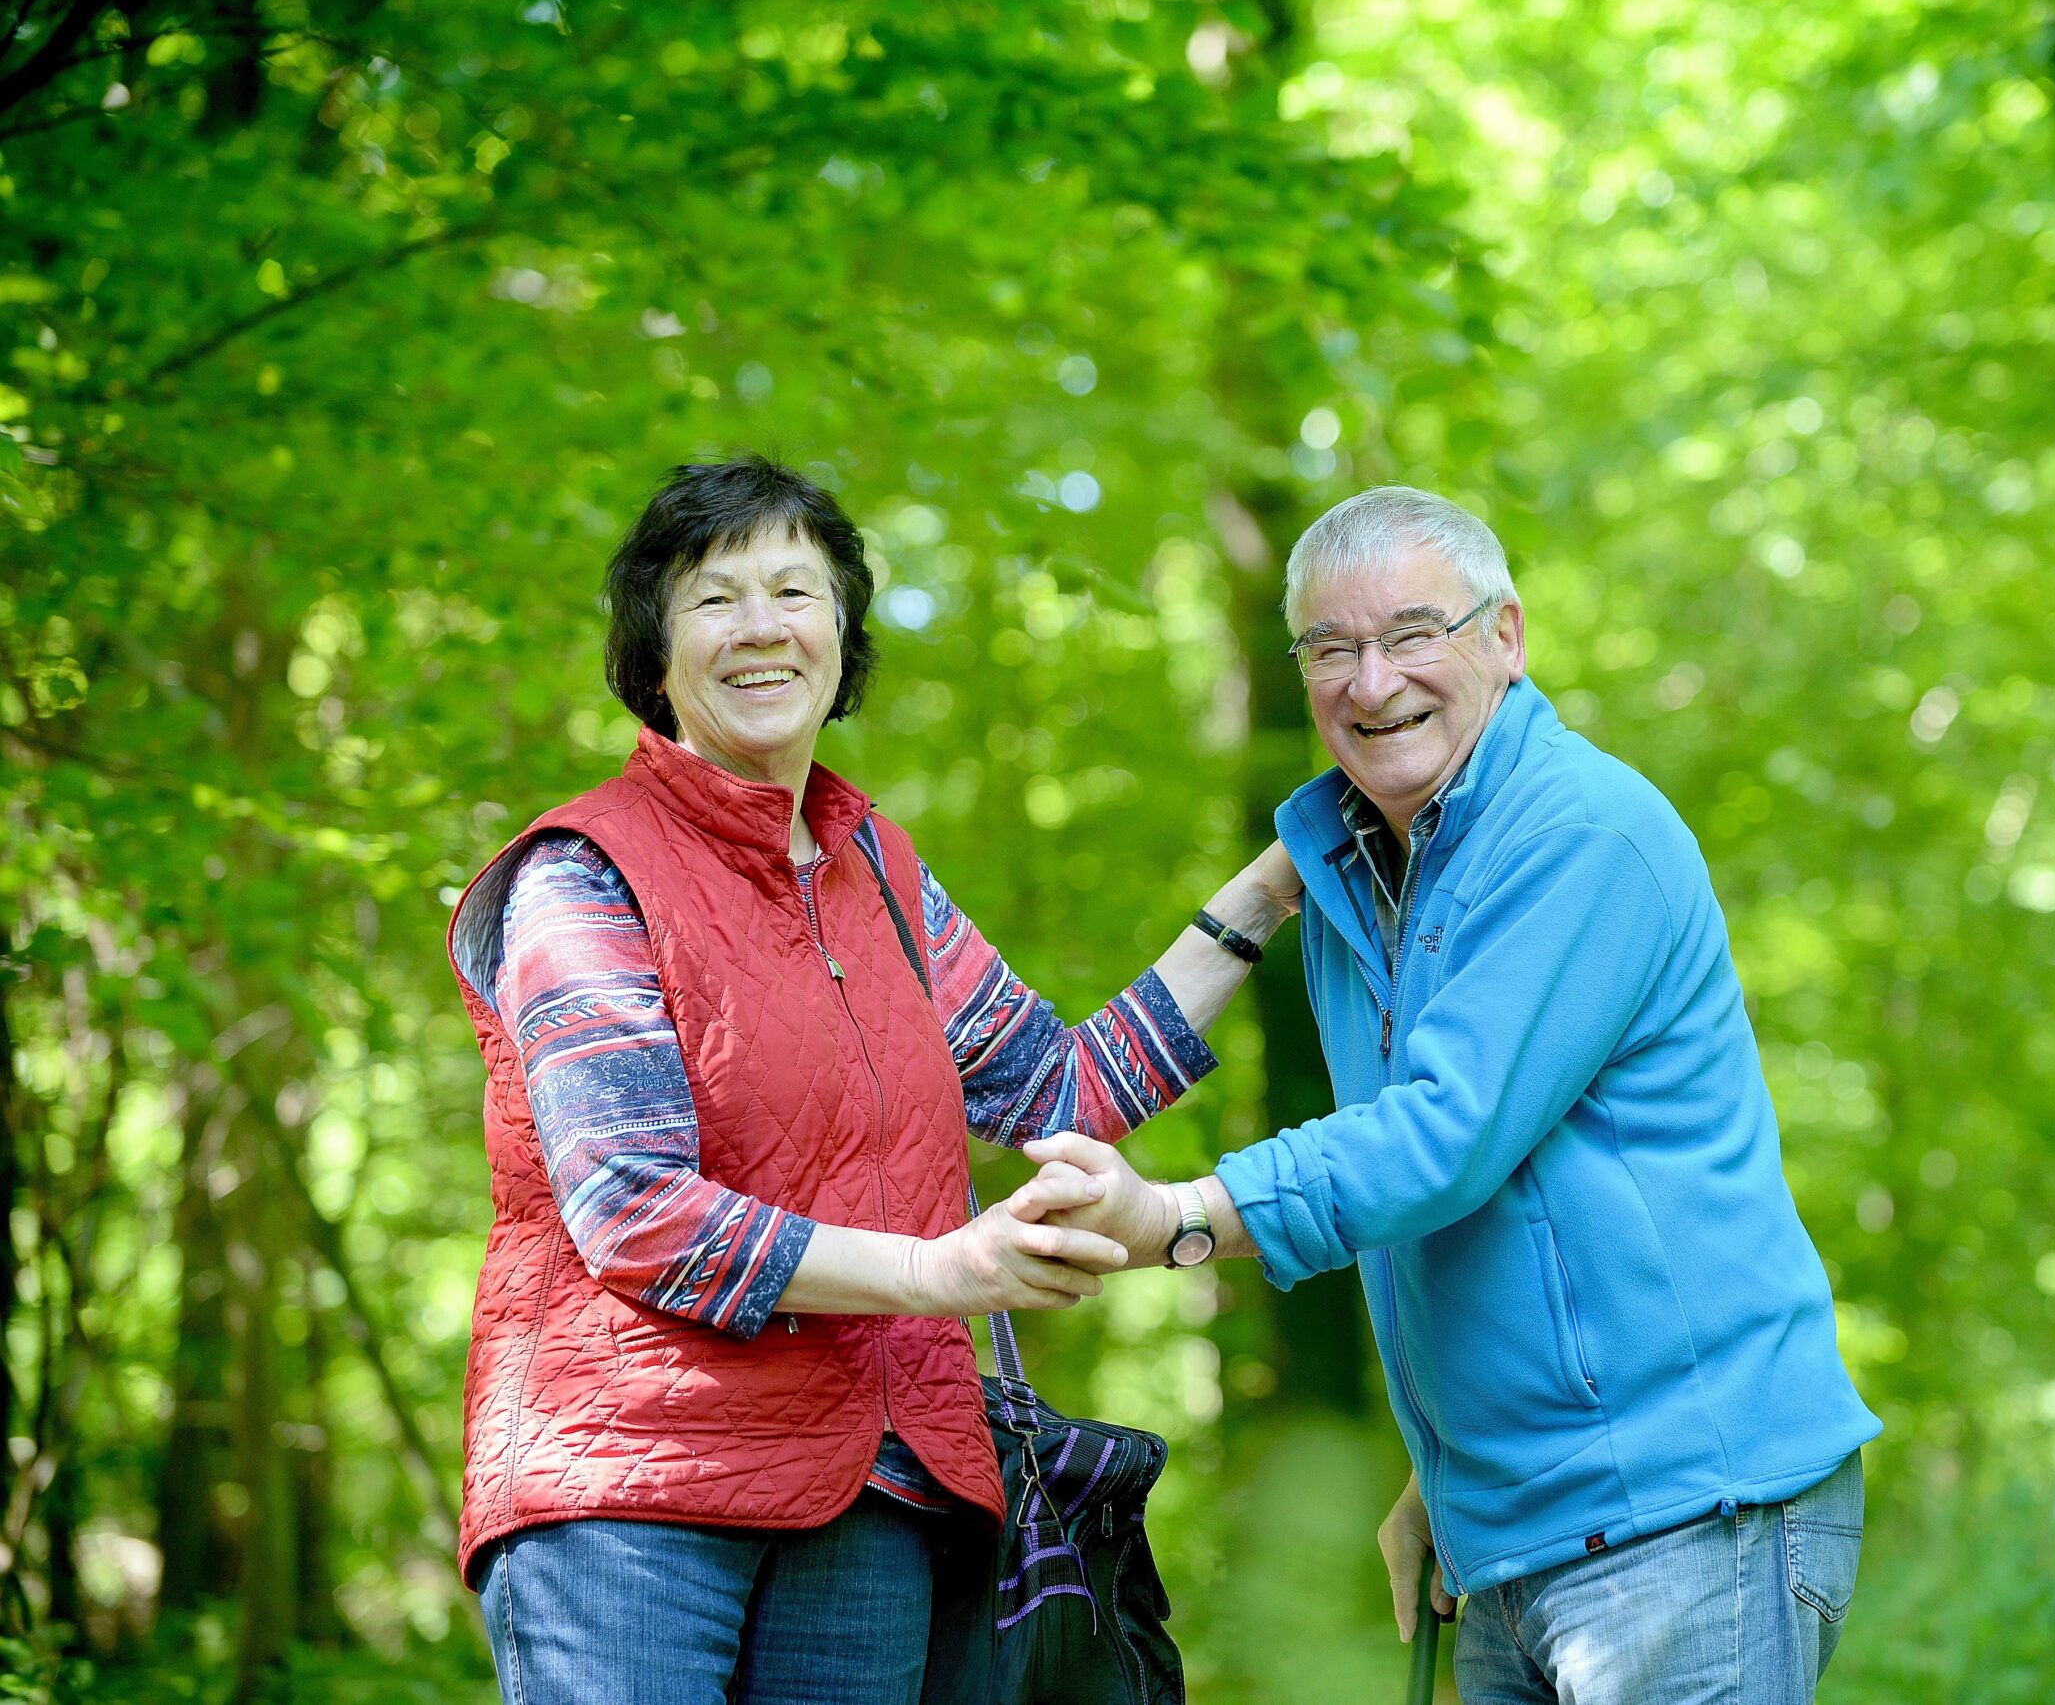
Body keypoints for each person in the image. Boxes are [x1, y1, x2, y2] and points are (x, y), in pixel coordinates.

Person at [443, 455, 1300, 1705]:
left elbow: (1054, 1092)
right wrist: (935, 1273)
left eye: (794, 590)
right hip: (636, 1481)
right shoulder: (583, 872)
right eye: (713, 598)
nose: (761, 629)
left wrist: (1271, 887)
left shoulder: (881, 873)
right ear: (654, 649)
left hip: (879, 1490)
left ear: (842, 631)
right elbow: (630, 1205)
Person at [1028, 486, 1882, 1705]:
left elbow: (1444, 1138)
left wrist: (1173, 1219)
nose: (1372, 683)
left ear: (1506, 637)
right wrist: (1447, 1467)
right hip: (1513, 1526)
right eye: (1331, 649)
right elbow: (1512, 1216)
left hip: (1685, 1512)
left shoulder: (1579, 834)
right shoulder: (1366, 866)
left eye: (1414, 633)